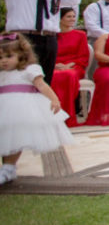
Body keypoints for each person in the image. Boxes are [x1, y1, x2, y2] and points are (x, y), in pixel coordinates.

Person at [0, 33, 75, 186]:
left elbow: (42, 85)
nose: (4, 61)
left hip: (21, 108)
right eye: (0, 58)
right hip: (4, 107)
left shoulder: (30, 70)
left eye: (9, 56)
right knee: (4, 137)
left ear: (22, 55)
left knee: (15, 137)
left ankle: (9, 167)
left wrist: (54, 99)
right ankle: (7, 167)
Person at [3, 0, 83, 83]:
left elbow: (73, 0)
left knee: (44, 83)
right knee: (22, 81)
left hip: (49, 39)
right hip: (24, 38)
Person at [52, 8, 88, 127]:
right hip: (55, 66)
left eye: (73, 16)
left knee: (68, 75)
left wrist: (69, 65)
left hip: (74, 66)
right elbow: (49, 54)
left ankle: (69, 115)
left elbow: (83, 56)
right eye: (69, 16)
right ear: (60, 19)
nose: (72, 19)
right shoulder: (52, 35)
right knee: (55, 76)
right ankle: (54, 114)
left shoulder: (80, 35)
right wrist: (55, 65)